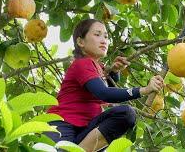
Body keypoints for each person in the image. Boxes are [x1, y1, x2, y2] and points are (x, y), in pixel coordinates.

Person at [46, 19, 164, 152]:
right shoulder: (82, 64)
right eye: (97, 35)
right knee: (126, 113)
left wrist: (114, 72)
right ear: (80, 42)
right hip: (62, 125)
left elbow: (106, 85)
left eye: (106, 36)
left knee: (125, 114)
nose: (104, 40)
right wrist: (143, 90)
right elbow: (104, 93)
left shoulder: (99, 68)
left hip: (86, 133)